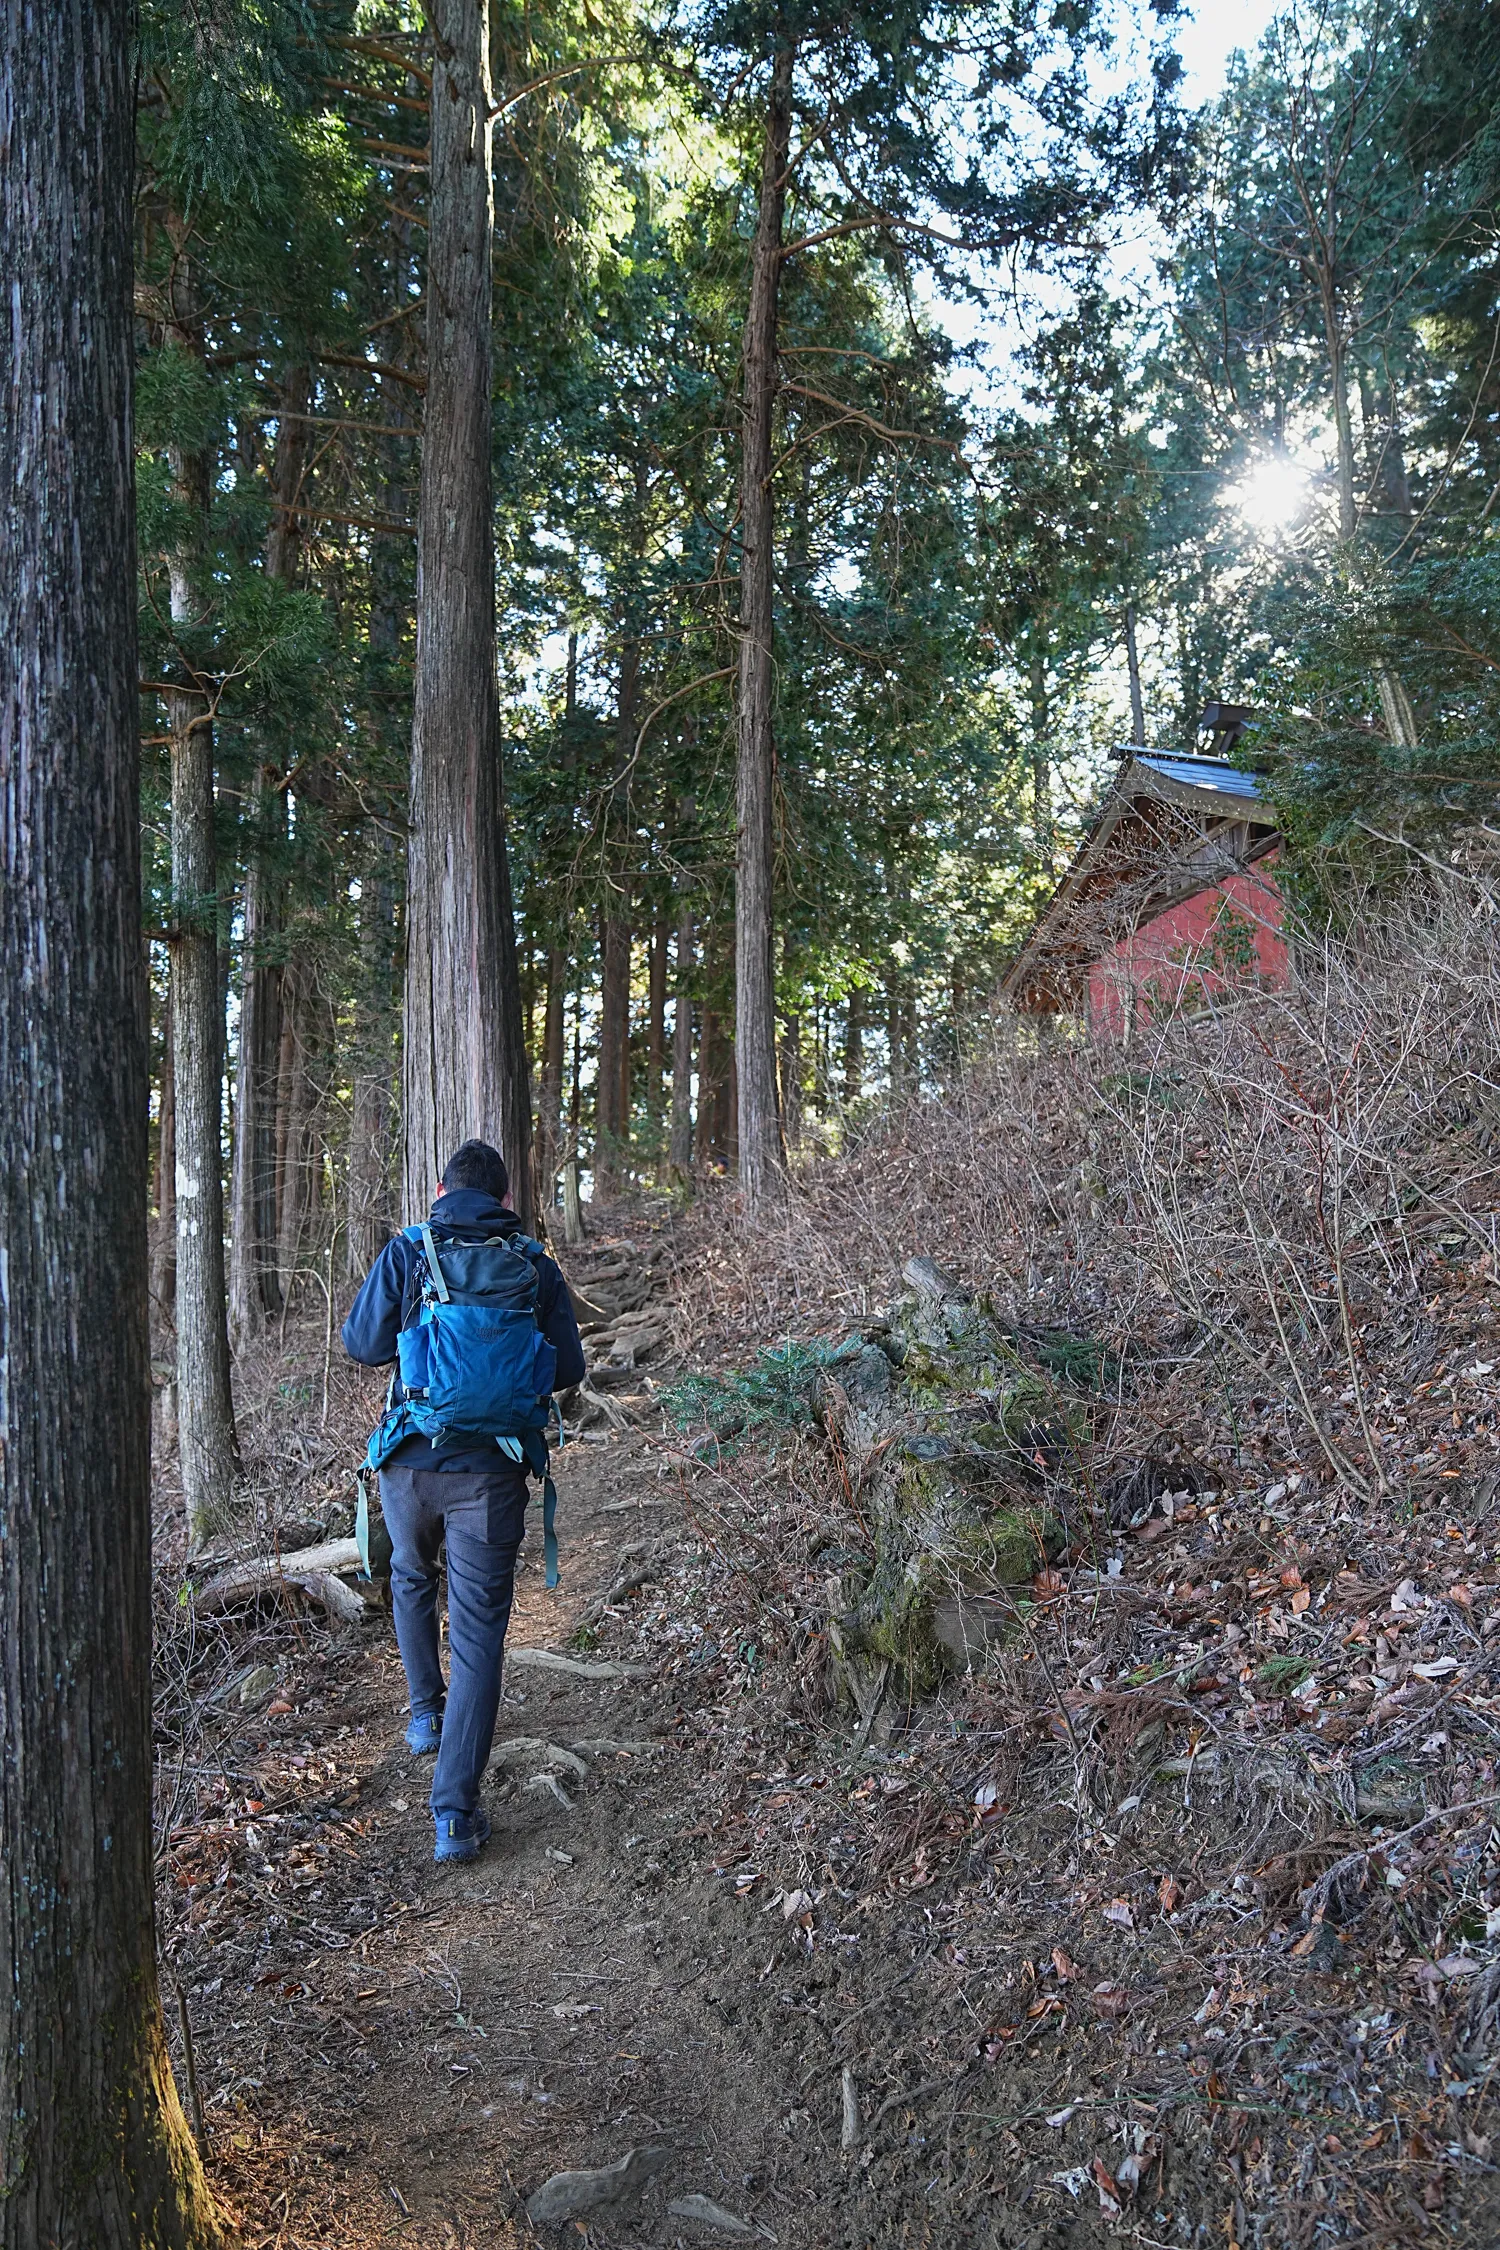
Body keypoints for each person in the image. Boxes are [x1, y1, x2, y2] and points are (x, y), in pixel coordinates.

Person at [342, 1139, 585, 1862]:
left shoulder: (410, 1250)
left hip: (409, 1466)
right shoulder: (535, 1264)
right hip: (492, 1475)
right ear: (506, 1201)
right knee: (478, 1637)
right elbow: (568, 1367)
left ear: (440, 1189)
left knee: (412, 1579)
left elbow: (362, 1344)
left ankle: (425, 1714)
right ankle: (454, 1815)